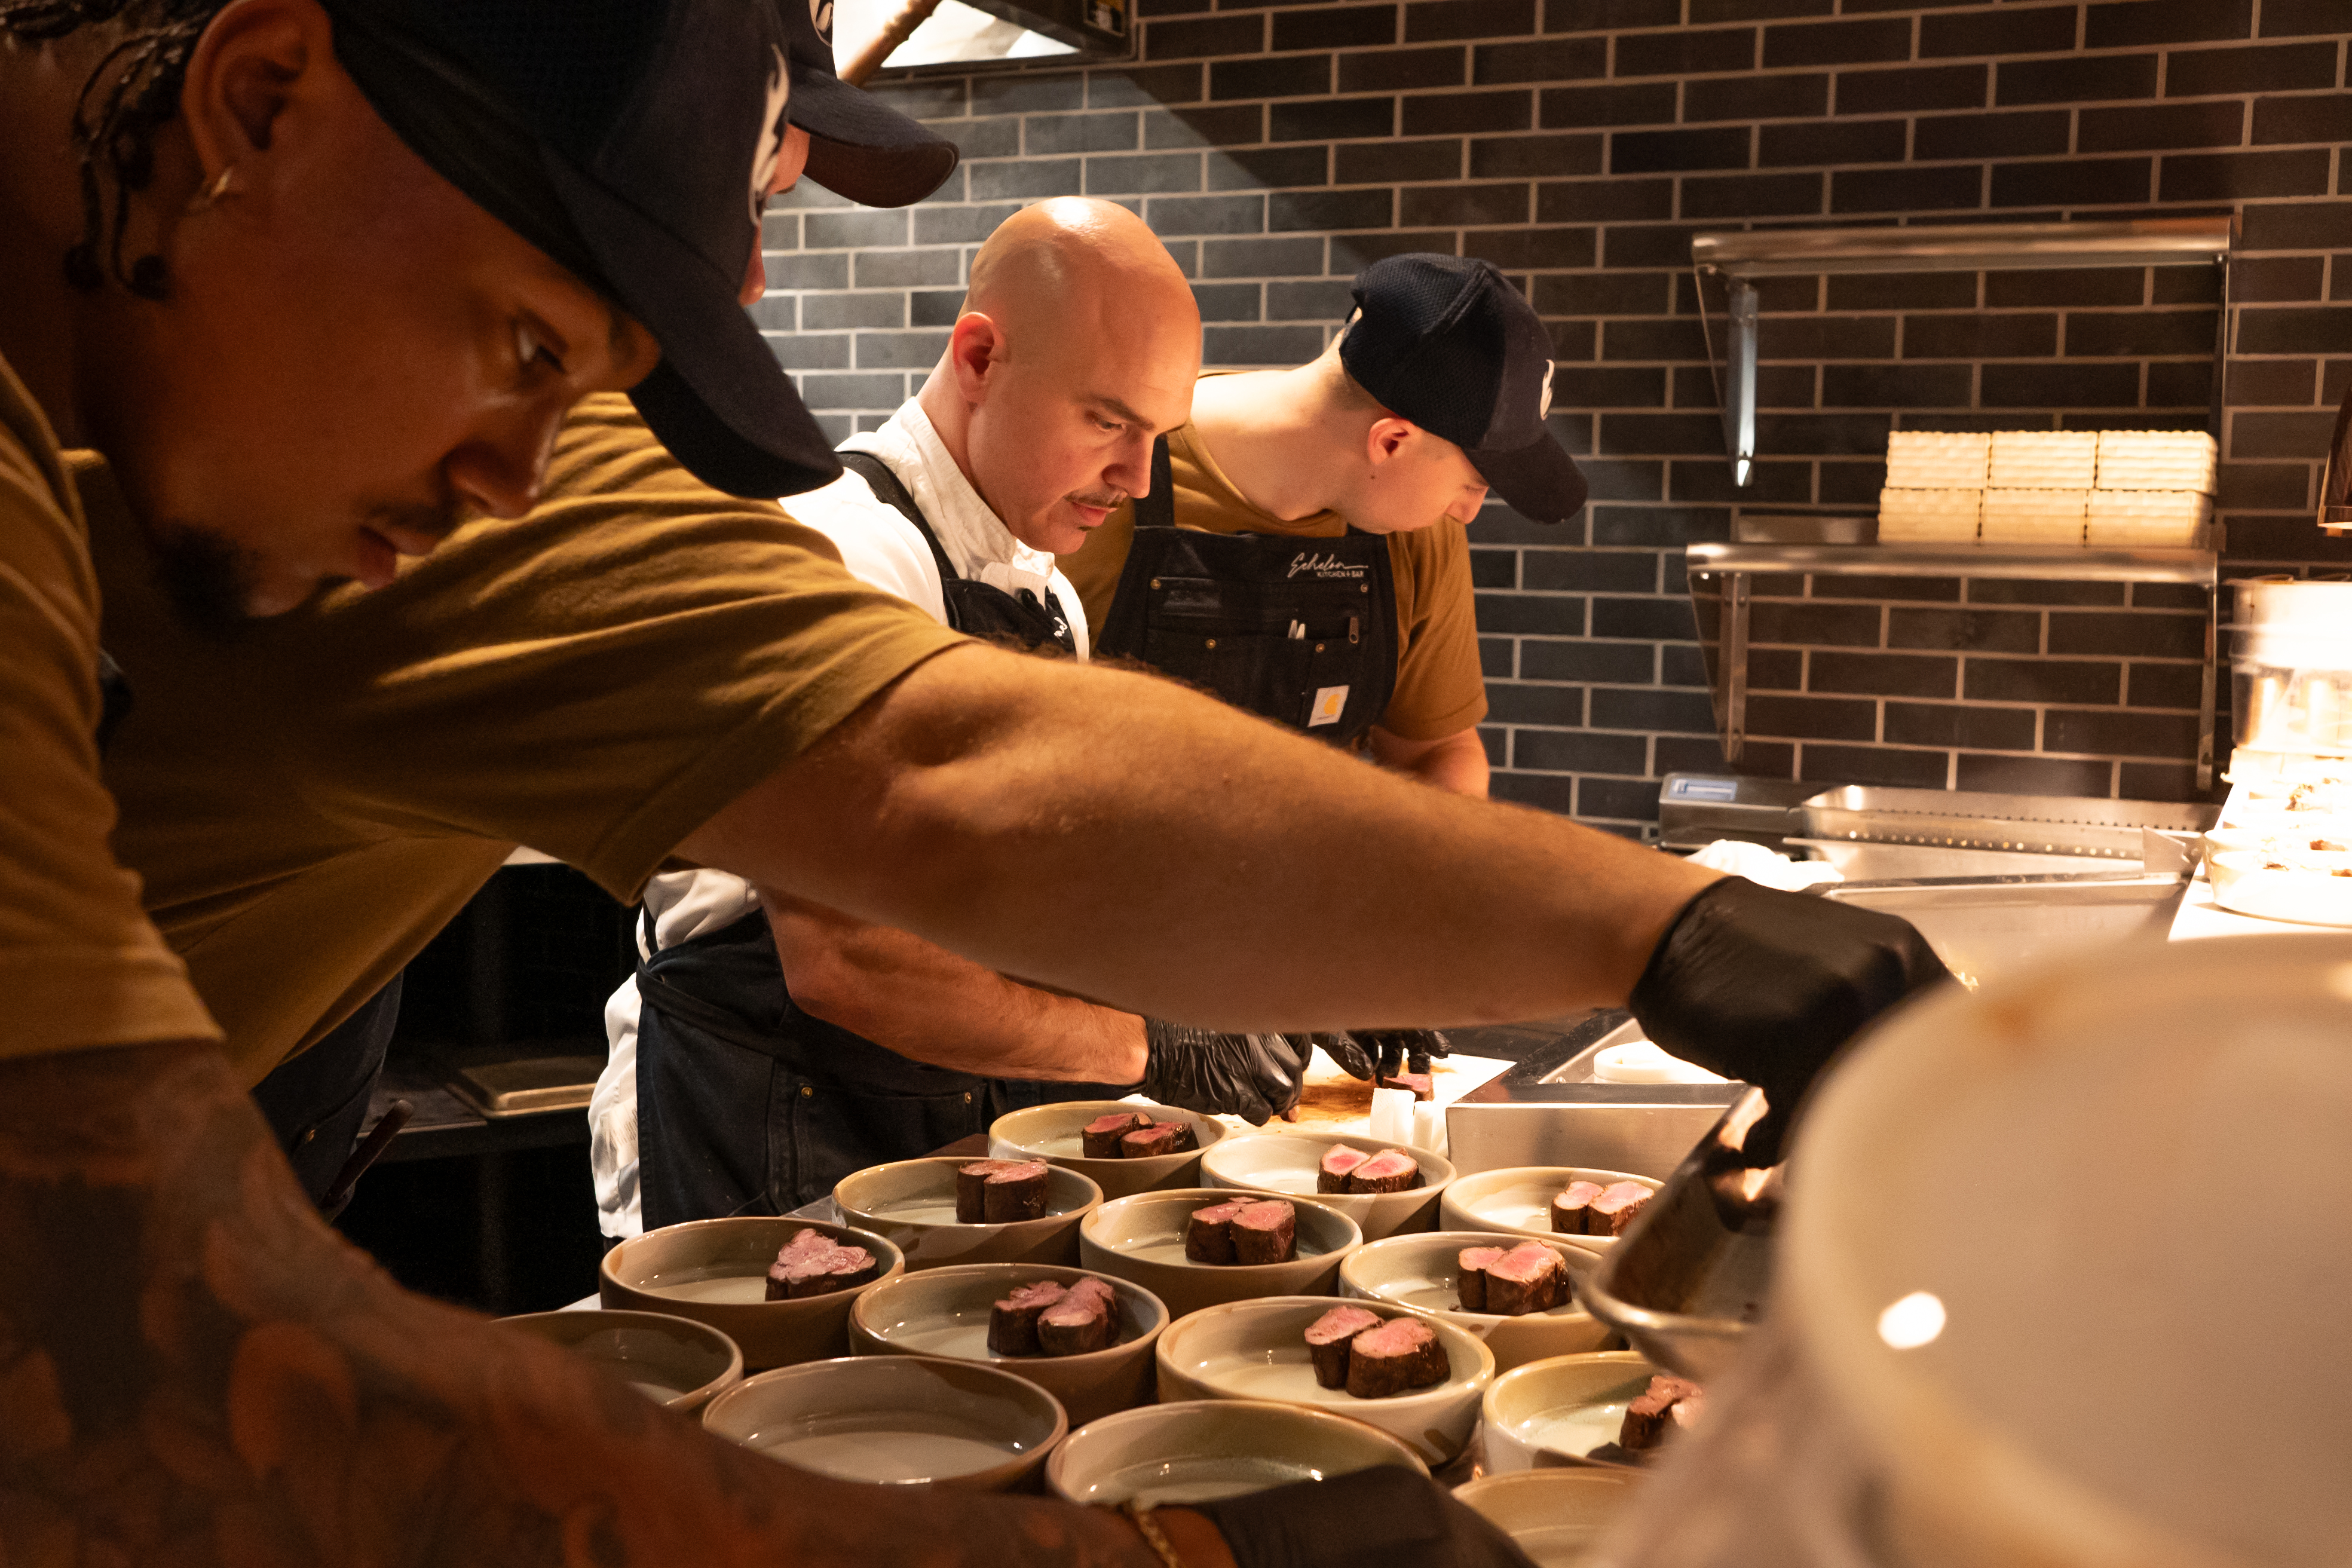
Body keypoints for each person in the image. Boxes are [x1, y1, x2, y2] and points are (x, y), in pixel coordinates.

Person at [1, 1, 1541, 1561]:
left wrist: (1573, 931)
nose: (746, 270)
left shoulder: (1008, 582)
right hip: (752, 1118)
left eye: (762, 194)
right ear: (259, 96)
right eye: (543, 339)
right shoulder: (824, 541)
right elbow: (889, 879)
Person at [603, 196, 1365, 1234]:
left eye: (1157, 436)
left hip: (930, 1120)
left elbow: (1058, 895)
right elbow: (850, 962)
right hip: (767, 1124)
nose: (1137, 478)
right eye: (1108, 421)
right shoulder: (846, 555)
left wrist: (1274, 980)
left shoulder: (1042, 594)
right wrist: (1153, 1045)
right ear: (978, 357)